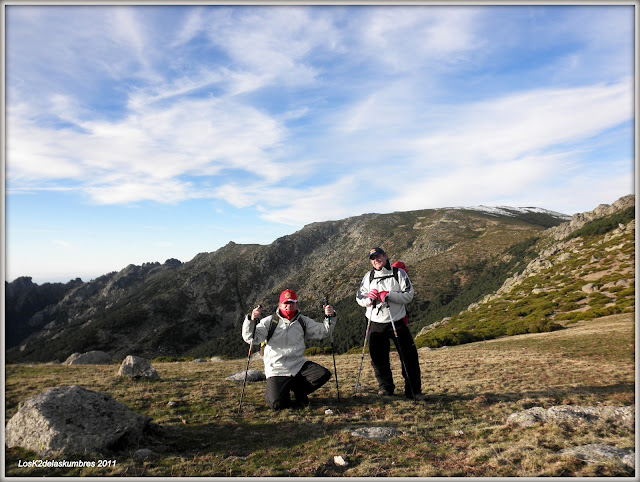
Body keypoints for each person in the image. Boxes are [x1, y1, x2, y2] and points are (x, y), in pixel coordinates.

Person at [242, 289, 337, 410]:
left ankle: (298, 392)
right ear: (279, 304)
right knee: (277, 405)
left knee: (323, 374)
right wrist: (251, 320)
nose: (289, 306)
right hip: (276, 367)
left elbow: (323, 331)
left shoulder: (303, 321)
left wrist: (330, 316)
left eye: (292, 302)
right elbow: (251, 338)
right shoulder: (270, 322)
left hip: (298, 364)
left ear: (296, 304)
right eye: (285, 303)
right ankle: (278, 393)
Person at [356, 247, 426, 401]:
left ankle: (413, 391)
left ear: (386, 256)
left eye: (378, 256)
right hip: (375, 321)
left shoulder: (398, 273)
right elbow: (359, 297)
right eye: (373, 258)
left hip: (397, 321)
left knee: (408, 357)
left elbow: (409, 294)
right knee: (378, 358)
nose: (376, 260)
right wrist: (369, 299)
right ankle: (385, 388)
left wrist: (388, 295)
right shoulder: (368, 276)